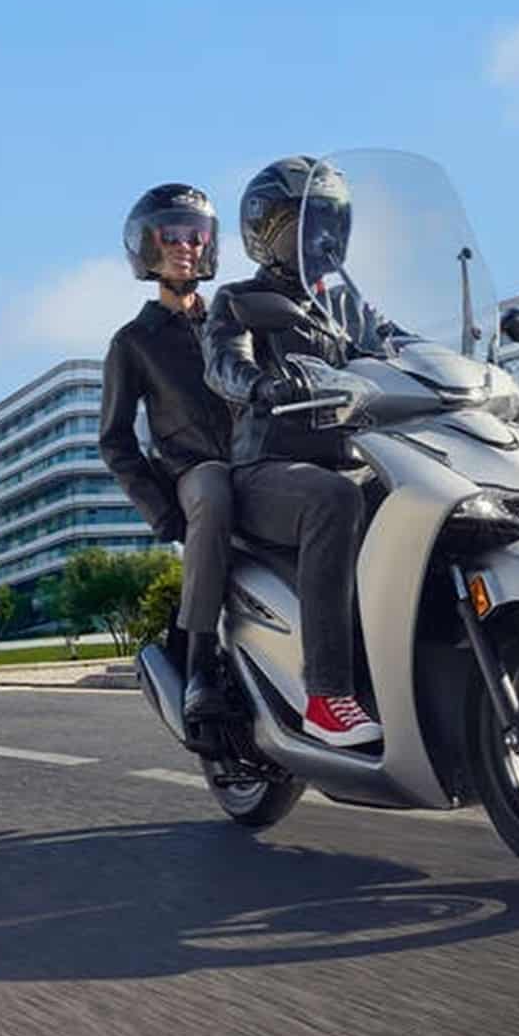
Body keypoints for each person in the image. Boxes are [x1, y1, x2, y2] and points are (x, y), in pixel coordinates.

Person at [204, 156, 384, 747]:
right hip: (268, 469)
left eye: (331, 219)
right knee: (334, 498)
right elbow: (223, 363)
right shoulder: (240, 299)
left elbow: (400, 345)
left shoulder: (349, 307)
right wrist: (262, 384)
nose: (320, 233)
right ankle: (328, 697)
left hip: (357, 458)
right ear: (265, 232)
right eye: (303, 221)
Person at [100, 183, 237, 723]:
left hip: (255, 460)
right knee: (214, 490)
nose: (185, 246)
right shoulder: (133, 342)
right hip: (191, 473)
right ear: (147, 246)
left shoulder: (234, 321)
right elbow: (115, 440)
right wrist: (162, 512)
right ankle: (200, 663)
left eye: (195, 235)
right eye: (171, 235)